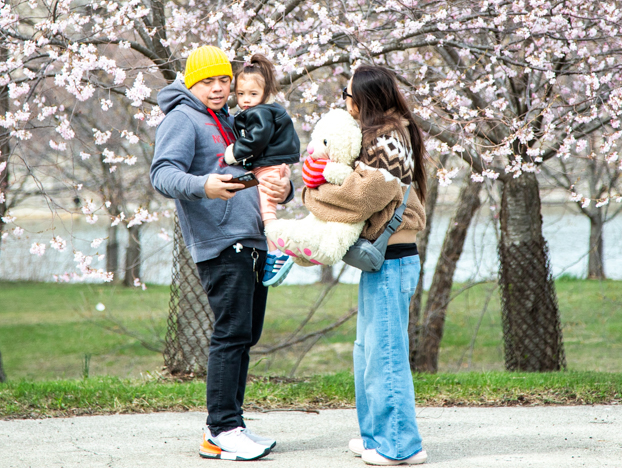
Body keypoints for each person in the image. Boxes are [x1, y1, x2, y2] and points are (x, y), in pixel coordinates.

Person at [150, 45, 293, 462]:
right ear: (191, 82)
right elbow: (162, 173)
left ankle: (232, 423)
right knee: (231, 333)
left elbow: (257, 170)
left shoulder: (231, 120)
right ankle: (221, 429)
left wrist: (284, 190)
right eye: (208, 81)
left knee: (247, 336)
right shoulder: (182, 118)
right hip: (220, 242)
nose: (218, 88)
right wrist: (204, 185)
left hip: (252, 240)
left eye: (223, 80)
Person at [301, 65, 429, 466]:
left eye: (348, 92)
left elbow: (361, 198)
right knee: (369, 352)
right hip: (386, 262)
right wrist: (321, 185)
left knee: (386, 354)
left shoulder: (389, 138)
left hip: (393, 259)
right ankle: (376, 437)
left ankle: (400, 447)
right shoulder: (379, 135)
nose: (344, 99)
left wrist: (312, 194)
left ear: (367, 98)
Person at [223, 54, 302, 287]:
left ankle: (279, 252)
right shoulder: (256, 111)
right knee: (256, 198)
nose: (245, 100)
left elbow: (256, 141)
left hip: (267, 168)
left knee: (267, 212)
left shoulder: (261, 112)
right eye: (240, 94)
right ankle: (275, 250)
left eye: (253, 94)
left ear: (265, 93)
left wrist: (232, 152)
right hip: (262, 169)